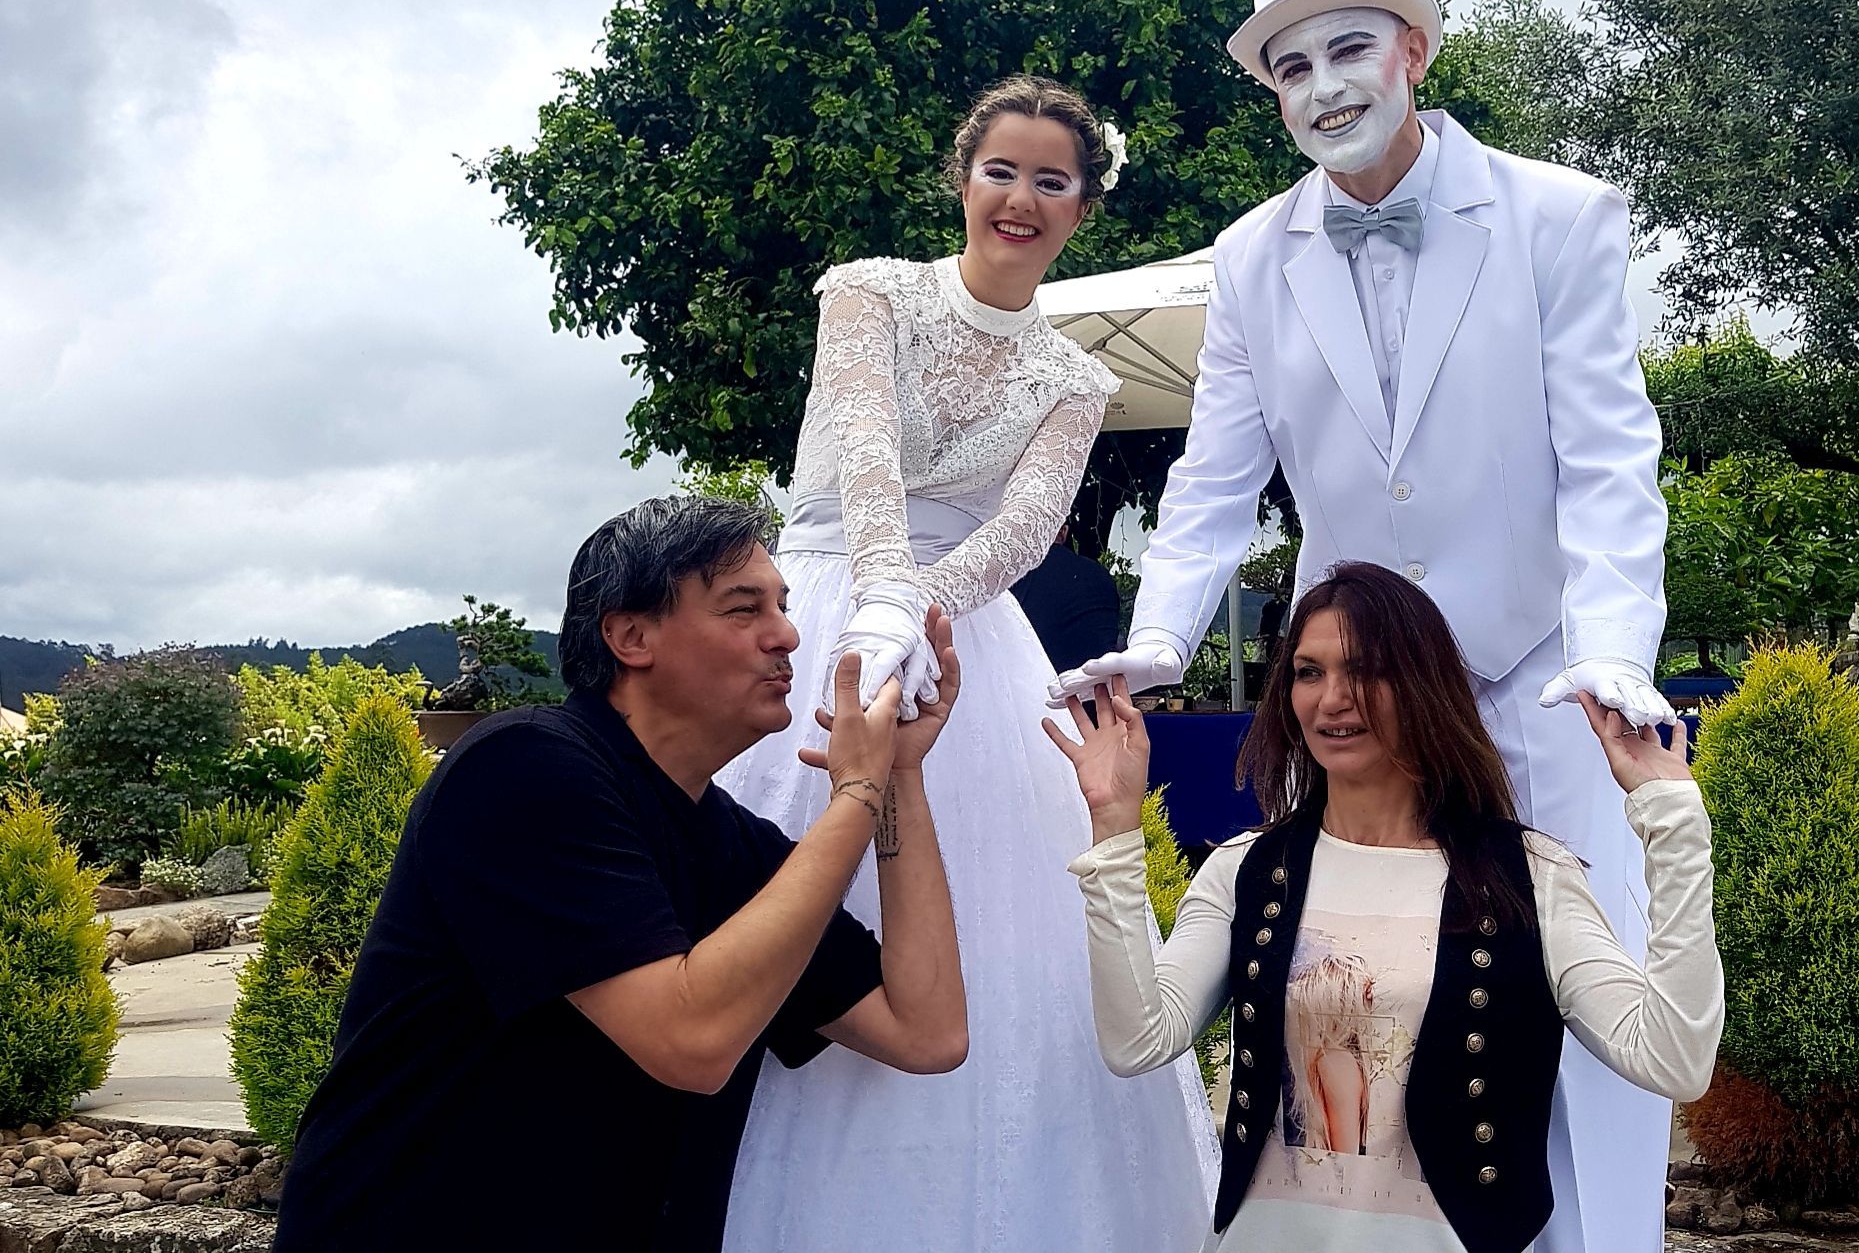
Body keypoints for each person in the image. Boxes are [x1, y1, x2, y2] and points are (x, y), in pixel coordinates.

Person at [1050, 0, 1678, 1250]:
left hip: (1544, 689)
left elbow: (1611, 461)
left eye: (1350, 49)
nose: (1325, 85)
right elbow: (1213, 481)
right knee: (1344, 1027)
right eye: (1292, 66)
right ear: (1273, 93)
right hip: (1357, 717)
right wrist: (1161, 636)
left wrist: (1615, 647)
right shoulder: (1247, 257)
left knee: (1584, 1043)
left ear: (1414, 51)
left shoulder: (1559, 217)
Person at [715, 75, 1218, 1251]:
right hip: (821, 607)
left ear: (1082, 206)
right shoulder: (868, 294)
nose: (1021, 199)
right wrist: (880, 605)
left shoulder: (1077, 381)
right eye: (1002, 171)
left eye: (1052, 181)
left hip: (968, 639)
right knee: (770, 889)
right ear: (963, 179)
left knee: (1005, 932)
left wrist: (921, 609)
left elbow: (1024, 531)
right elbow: (865, 453)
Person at [272, 497, 968, 1253]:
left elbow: (926, 1031)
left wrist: (897, 778)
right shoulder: (520, 769)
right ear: (631, 636)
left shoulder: (729, 844)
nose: (787, 635)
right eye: (744, 609)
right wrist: (855, 794)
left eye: (782, 606)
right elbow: (691, 1040)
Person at [1052, 561, 1722, 1253]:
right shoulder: (1247, 869)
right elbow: (1138, 1039)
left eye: (1366, 671)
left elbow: (1672, 1059)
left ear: (1424, 685)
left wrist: (1672, 820)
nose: (1332, 699)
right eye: (1308, 672)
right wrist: (1114, 829)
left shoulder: (1527, 876)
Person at [1009, 524, 1122, 677]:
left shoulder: (1015, 579)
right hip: (1107, 683)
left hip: (1045, 684)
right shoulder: (1100, 574)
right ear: (1063, 532)